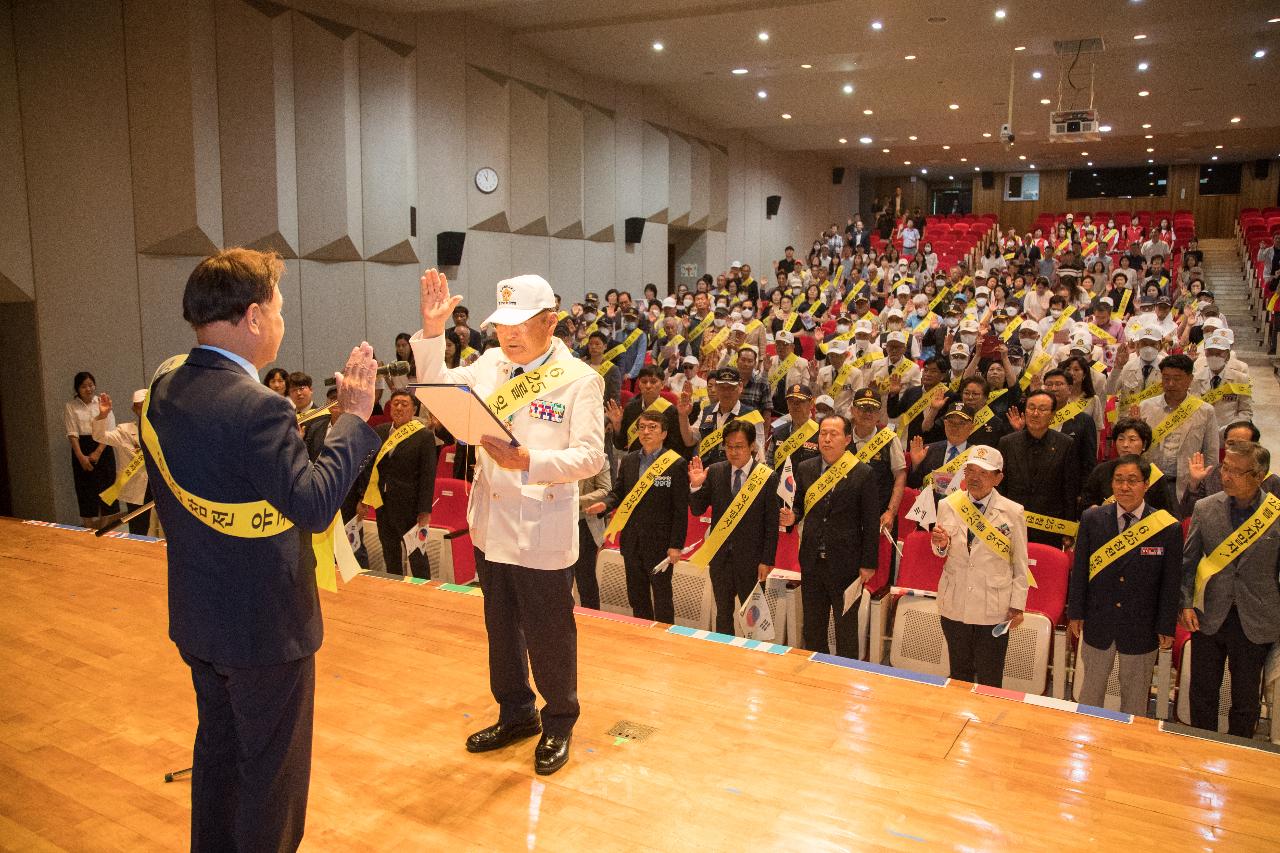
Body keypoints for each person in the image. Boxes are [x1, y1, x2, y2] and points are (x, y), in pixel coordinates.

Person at [143, 248, 380, 851]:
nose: (280, 319)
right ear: (252, 317)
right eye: (277, 307)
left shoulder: (166, 388)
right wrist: (352, 420)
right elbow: (313, 504)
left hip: (200, 616)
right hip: (265, 628)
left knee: (219, 767)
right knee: (271, 784)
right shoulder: (260, 408)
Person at [414, 269, 605, 776]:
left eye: (521, 324)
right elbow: (438, 392)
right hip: (491, 523)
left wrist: (533, 463)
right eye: (502, 324)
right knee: (500, 627)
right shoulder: (490, 364)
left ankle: (559, 718)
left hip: (541, 527)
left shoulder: (579, 379)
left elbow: (591, 458)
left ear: (551, 322)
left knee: (549, 631)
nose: (509, 334)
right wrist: (433, 336)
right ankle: (516, 712)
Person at [1068, 455, 1182, 715]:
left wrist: (1166, 625)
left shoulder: (1166, 527)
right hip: (1098, 622)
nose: (1124, 487)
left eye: (1132, 481)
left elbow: (1170, 582)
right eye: (1118, 480)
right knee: (1090, 693)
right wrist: (1076, 612)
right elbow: (1081, 570)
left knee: (1134, 698)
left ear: (1146, 484)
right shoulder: (1092, 518)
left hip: (1141, 626)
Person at [1180, 442, 1280, 737]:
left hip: (1256, 618)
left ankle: (1240, 751)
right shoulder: (1205, 508)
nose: (1227, 476)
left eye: (1237, 471)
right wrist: (1185, 603)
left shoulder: (1274, 514)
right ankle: (1201, 747)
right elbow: (1188, 562)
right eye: (1225, 468)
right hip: (1208, 614)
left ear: (1259, 475)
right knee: (1203, 693)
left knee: (1245, 700)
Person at [780, 414, 879, 657]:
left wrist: (868, 564)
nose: (826, 439)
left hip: (847, 564)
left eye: (833, 434)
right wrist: (793, 517)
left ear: (847, 439)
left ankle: (845, 679)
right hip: (812, 560)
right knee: (813, 626)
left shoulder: (863, 473)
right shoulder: (806, 468)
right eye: (823, 433)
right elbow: (800, 505)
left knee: (845, 628)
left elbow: (870, 521)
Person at [930, 445, 1028, 686]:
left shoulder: (1013, 512)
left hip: (993, 607)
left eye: (983, 473)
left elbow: (1020, 563)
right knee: (959, 674)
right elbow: (940, 551)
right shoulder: (948, 504)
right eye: (970, 471)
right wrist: (940, 545)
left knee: (990, 678)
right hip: (955, 602)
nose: (974, 477)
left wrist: (1017, 606)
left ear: (998, 478)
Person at [591, 411, 689, 622]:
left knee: (662, 598)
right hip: (632, 541)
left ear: (664, 433)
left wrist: (676, 545)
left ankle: (665, 642)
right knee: (637, 596)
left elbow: (680, 510)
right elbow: (618, 493)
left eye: (652, 427)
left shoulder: (676, 463)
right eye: (642, 427)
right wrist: (604, 505)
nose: (646, 432)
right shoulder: (629, 460)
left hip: (661, 544)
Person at [688, 420, 781, 636]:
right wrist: (696, 485)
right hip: (721, 559)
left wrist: (767, 560)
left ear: (752, 447)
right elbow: (697, 509)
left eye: (739, 446)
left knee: (752, 617)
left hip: (752, 560)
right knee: (723, 613)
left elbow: (770, 524)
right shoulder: (716, 471)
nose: (733, 451)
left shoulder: (766, 476)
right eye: (728, 446)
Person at [356, 390, 436, 578]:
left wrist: (424, 511)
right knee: (390, 552)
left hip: (411, 506)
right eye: (395, 403)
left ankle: (423, 592)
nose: (399, 407)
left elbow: (428, 475)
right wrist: (364, 498)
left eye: (404, 404)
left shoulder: (424, 436)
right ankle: (394, 589)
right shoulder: (380, 431)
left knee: (417, 554)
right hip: (383, 504)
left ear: (414, 409)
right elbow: (369, 468)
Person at [999, 390, 1080, 548]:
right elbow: (1000, 485)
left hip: (1049, 525)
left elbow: (1070, 489)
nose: (1035, 413)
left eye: (1042, 409)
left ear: (1052, 414)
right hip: (1011, 522)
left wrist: (1068, 527)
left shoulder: (1066, 444)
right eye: (1031, 408)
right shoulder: (1007, 442)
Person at [1138, 354, 1219, 511]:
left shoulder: (1205, 411)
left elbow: (1211, 454)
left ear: (1190, 379)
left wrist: (1204, 488)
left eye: (1177, 378)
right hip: (1150, 484)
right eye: (1166, 378)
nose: (1170, 384)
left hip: (1186, 486)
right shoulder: (1145, 407)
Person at [1081, 417, 1178, 514]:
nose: (1125, 444)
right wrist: (1096, 511)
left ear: (1144, 444)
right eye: (1121, 439)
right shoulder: (1101, 470)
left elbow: (1166, 515)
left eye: (1132, 439)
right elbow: (1085, 502)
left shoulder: (1155, 476)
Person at [91, 389, 153, 535]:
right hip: (136, 487)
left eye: (146, 404)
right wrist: (103, 415)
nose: (143, 408)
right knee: (139, 528)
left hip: (160, 486)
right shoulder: (125, 431)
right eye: (139, 405)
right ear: (134, 409)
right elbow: (100, 436)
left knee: (166, 527)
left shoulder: (163, 430)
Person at [65, 370, 117, 528]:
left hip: (103, 446)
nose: (88, 389)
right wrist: (81, 456)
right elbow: (72, 433)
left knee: (106, 487)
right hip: (82, 447)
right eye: (83, 386)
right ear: (77, 389)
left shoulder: (102, 402)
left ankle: (105, 526)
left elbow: (110, 429)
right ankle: (88, 526)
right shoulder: (71, 406)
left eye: (91, 385)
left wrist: (98, 451)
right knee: (85, 489)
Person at [681, 367, 763, 466]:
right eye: (722, 387)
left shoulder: (752, 415)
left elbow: (760, 455)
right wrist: (683, 415)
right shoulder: (707, 411)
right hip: (707, 472)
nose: (726, 392)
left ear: (740, 386)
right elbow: (689, 440)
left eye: (731, 387)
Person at [907, 402, 976, 500]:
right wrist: (915, 465)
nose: (955, 427)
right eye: (951, 422)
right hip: (930, 509)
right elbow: (913, 486)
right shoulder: (928, 450)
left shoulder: (976, 455)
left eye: (961, 423)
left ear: (972, 427)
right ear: (945, 424)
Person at [606, 364, 681, 454]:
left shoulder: (671, 411)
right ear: (639, 384)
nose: (648, 386)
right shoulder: (630, 408)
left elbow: (675, 446)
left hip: (660, 463)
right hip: (635, 461)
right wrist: (617, 424)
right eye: (644, 382)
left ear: (662, 385)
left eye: (653, 382)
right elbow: (620, 445)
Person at [571, 449, 613, 610]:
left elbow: (605, 490)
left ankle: (592, 616)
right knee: (556, 575)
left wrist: (573, 500)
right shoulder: (557, 453)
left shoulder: (599, 457)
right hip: (556, 519)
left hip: (584, 523)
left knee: (585, 576)